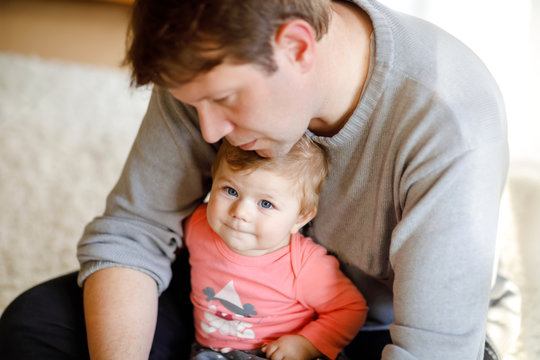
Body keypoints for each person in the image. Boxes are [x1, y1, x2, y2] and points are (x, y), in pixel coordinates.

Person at [0, 0, 521, 359]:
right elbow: (134, 233)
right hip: (229, 288)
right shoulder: (207, 57)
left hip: (369, 324)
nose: (208, 131)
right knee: (37, 324)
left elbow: (431, 347)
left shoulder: (449, 120)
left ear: (296, 48)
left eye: (224, 100)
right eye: (192, 103)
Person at [186, 137, 367, 360]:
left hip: (276, 354)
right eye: (230, 190)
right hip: (210, 352)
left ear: (300, 218)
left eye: (266, 204)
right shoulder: (197, 225)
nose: (240, 212)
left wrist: (307, 344)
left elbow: (350, 309)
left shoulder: (304, 265)